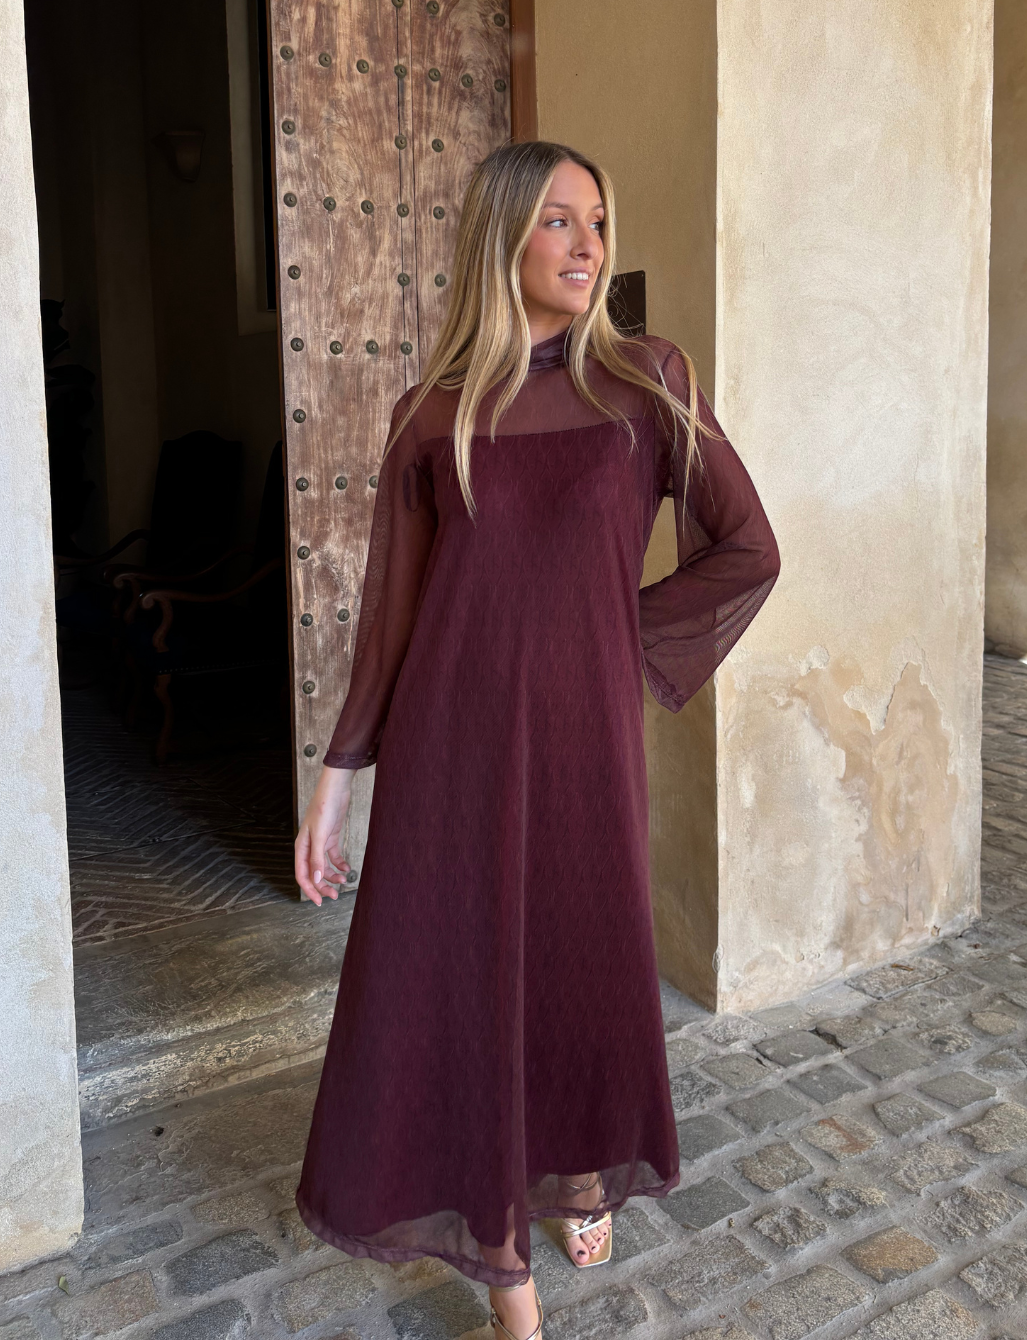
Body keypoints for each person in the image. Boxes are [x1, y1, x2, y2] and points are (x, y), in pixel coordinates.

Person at [293, 139, 780, 1340]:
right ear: (502, 236)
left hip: (583, 748)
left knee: (578, 960)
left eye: (598, 223)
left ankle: (578, 1171)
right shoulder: (433, 414)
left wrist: (618, 644)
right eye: (560, 221)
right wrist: (335, 785)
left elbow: (748, 548)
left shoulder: (648, 384)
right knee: (459, 979)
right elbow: (395, 615)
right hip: (448, 753)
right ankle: (509, 1279)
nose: (588, 245)